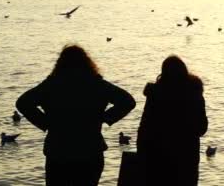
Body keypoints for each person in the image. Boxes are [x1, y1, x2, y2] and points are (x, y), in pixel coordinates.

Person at [16, 44, 136, 186]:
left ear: (60, 63)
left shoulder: (52, 84)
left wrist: (45, 122)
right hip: (90, 149)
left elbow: (23, 103)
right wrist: (105, 117)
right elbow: (128, 101)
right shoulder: (96, 84)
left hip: (58, 150)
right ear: (87, 62)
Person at [137, 55, 208, 186]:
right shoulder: (194, 94)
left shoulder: (156, 94)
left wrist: (141, 155)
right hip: (186, 157)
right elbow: (202, 128)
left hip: (157, 157)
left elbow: (144, 128)